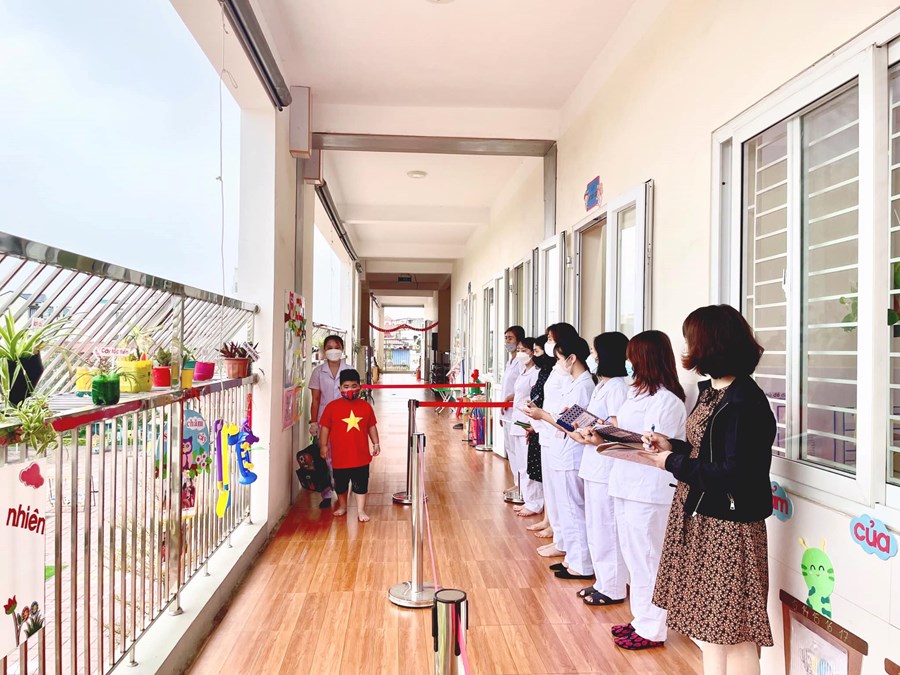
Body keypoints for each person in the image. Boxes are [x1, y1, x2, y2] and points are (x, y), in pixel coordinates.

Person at [644, 305, 775, 674]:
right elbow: (707, 450)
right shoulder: (714, 392)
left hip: (729, 526)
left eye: (691, 340)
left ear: (710, 345)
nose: (688, 348)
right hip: (702, 515)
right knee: (711, 630)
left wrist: (671, 463)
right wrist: (671, 446)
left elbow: (732, 473)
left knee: (734, 634)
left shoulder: (744, 401)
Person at [577, 330, 686, 650]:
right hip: (625, 482)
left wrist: (619, 440)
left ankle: (653, 628)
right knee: (634, 557)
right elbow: (629, 434)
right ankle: (641, 619)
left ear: (645, 359)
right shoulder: (635, 394)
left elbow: (657, 445)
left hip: (649, 489)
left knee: (648, 558)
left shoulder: (667, 400)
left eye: (632, 357)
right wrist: (602, 438)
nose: (627, 363)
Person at [525, 335, 595, 578]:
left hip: (571, 453)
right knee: (566, 508)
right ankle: (571, 557)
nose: (557, 364)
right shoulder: (575, 383)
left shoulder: (584, 385)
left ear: (571, 358)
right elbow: (567, 417)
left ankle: (581, 564)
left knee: (573, 509)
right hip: (562, 449)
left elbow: (571, 424)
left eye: (559, 359)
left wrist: (543, 415)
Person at [570, 332, 629, 606]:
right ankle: (602, 581)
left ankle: (613, 587)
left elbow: (617, 427)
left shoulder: (617, 386)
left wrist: (593, 427)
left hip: (606, 465)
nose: (591, 356)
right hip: (592, 462)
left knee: (606, 527)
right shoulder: (601, 384)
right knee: (595, 527)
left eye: (595, 351)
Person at [526, 323, 580, 554]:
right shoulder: (558, 369)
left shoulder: (574, 378)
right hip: (551, 434)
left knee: (567, 501)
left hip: (562, 439)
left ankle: (564, 542)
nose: (547, 343)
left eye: (550, 339)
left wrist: (543, 416)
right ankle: (559, 537)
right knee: (555, 492)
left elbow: (569, 415)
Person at [318, 369, 381, 523]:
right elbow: (325, 428)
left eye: (354, 386)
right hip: (340, 457)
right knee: (340, 485)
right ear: (339, 388)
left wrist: (376, 443)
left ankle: (360, 510)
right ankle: (343, 506)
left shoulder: (365, 407)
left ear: (360, 387)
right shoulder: (332, 407)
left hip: (361, 457)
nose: (350, 390)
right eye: (346, 386)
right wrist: (323, 445)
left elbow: (371, 426)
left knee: (361, 484)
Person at [308, 335, 353, 508]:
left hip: (346, 418)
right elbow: (315, 399)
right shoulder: (318, 372)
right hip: (324, 418)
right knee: (325, 455)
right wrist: (313, 422)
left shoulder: (349, 370)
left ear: (342, 349)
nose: (333, 350)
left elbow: (354, 396)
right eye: (329, 347)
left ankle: (341, 487)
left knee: (342, 454)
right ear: (324, 350)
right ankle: (327, 493)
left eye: (336, 346)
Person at [522, 336, 555, 530]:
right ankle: (548, 521)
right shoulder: (546, 372)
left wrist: (538, 421)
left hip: (552, 432)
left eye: (537, 350)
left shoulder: (556, 374)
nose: (534, 355)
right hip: (542, 428)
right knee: (547, 481)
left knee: (556, 486)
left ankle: (552, 524)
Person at [508, 338, 542, 516]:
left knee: (528, 465)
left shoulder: (536, 373)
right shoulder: (523, 371)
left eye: (525, 350)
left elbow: (533, 399)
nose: (520, 353)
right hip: (517, 420)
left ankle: (534, 502)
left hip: (527, 422)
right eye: (519, 349)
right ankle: (527, 498)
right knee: (520, 463)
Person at [500, 325, 526, 495]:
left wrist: (511, 397)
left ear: (518, 341)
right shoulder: (510, 362)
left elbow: (524, 387)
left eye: (510, 338)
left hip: (516, 410)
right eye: (506, 338)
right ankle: (517, 483)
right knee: (510, 448)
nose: (507, 342)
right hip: (506, 411)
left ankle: (523, 485)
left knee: (518, 449)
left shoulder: (522, 361)